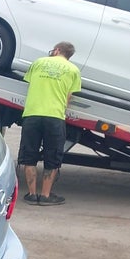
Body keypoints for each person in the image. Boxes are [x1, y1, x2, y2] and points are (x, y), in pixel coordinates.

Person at [18, 41, 82, 206]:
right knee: (52, 156)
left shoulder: (39, 62)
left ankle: (32, 195)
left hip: (32, 114)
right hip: (54, 116)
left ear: (57, 50)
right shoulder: (74, 70)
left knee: (29, 155)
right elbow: (69, 97)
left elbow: (30, 83)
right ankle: (46, 195)